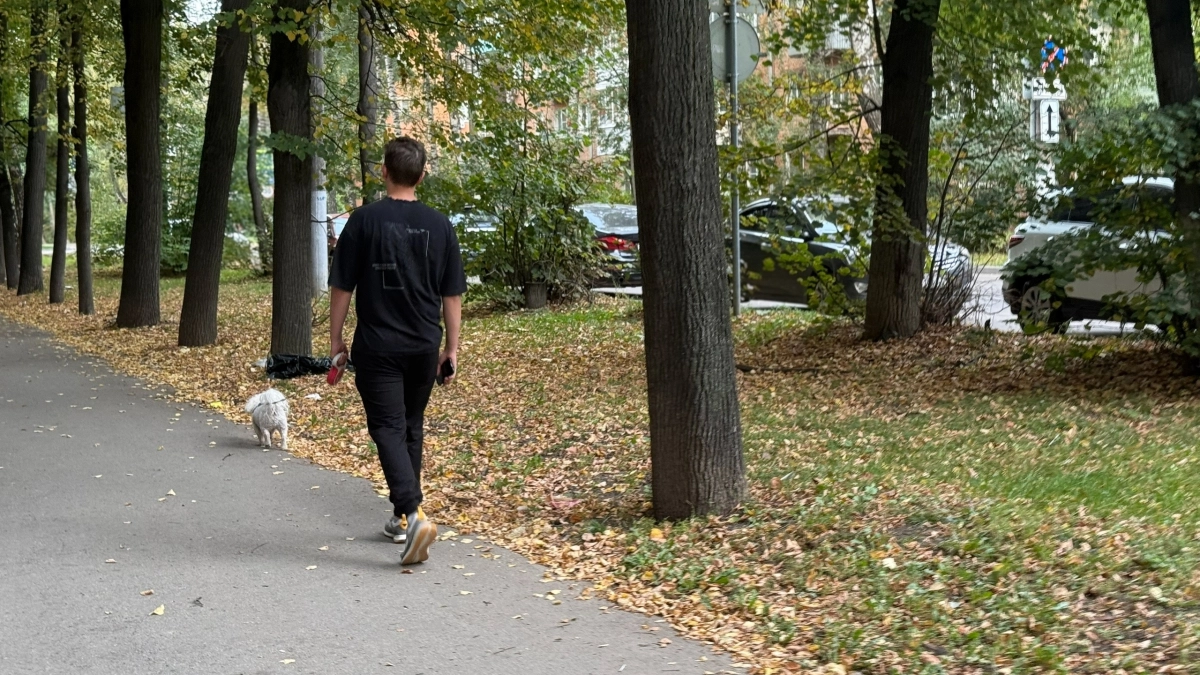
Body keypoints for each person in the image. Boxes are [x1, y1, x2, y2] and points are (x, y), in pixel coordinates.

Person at [328, 136, 466, 566]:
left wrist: (336, 341)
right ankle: (402, 517)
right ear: (422, 175)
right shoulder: (441, 225)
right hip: (424, 345)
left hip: (378, 347)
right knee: (410, 425)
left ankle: (413, 512)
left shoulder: (363, 221)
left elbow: (342, 287)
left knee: (387, 427)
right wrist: (452, 348)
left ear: (383, 171)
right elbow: (453, 294)